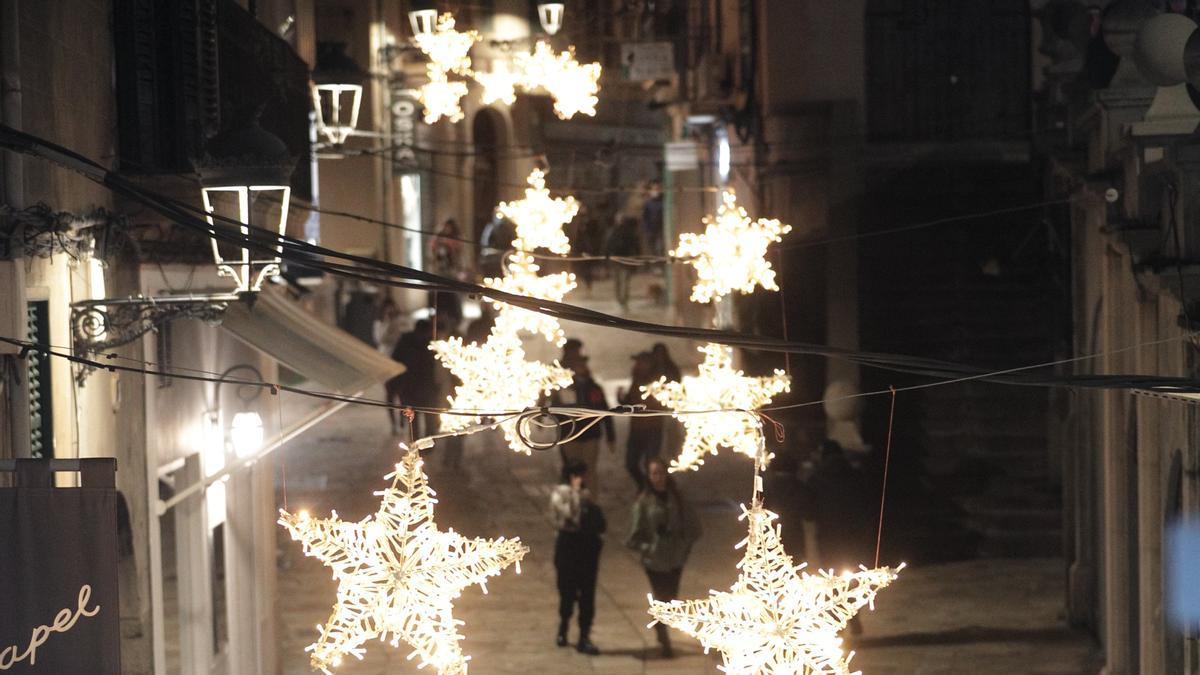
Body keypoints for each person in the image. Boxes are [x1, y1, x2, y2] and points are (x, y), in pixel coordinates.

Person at [626, 457, 702, 658]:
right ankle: (663, 636)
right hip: (654, 559)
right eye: (654, 473)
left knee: (671, 598)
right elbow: (633, 537)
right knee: (661, 596)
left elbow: (693, 527)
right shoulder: (643, 502)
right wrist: (649, 546)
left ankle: (662, 629)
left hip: (675, 557)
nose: (658, 477)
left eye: (660, 472)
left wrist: (683, 543)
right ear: (649, 477)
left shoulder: (678, 498)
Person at [804, 439, 872, 634]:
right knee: (851, 576)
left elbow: (810, 510)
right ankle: (854, 616)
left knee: (832, 579)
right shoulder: (856, 475)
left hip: (829, 536)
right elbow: (867, 504)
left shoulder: (816, 478)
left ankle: (837, 620)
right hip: (854, 535)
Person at [549, 462, 606, 655]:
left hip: (587, 548)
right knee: (567, 591)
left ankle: (584, 635)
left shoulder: (587, 494)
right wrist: (576, 495)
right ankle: (564, 626)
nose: (582, 479)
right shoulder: (561, 494)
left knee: (587, 594)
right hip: (568, 546)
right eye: (579, 475)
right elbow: (569, 516)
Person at [553, 358, 615, 492]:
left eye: (583, 365)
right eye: (577, 365)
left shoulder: (594, 388)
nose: (581, 368)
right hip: (570, 435)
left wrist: (611, 436)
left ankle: (591, 503)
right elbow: (555, 410)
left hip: (590, 435)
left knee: (589, 469)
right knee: (573, 469)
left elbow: (604, 411)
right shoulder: (565, 388)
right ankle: (574, 500)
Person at [619, 351, 664, 490]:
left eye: (640, 362)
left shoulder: (656, 382)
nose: (637, 365)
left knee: (650, 463)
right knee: (631, 463)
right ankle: (644, 486)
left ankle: (653, 490)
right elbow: (630, 402)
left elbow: (659, 404)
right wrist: (621, 398)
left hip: (652, 429)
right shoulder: (636, 379)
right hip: (636, 429)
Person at [386, 319, 437, 436]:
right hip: (413, 387)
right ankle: (420, 445)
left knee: (423, 420)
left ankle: (423, 445)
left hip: (420, 387)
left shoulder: (423, 342)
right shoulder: (411, 342)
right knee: (416, 420)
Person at [605, 216, 641, 310]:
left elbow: (608, 246)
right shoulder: (630, 232)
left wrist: (607, 258)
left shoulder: (613, 232)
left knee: (617, 282)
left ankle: (620, 300)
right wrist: (637, 258)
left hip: (616, 260)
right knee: (625, 282)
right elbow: (636, 246)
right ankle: (624, 300)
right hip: (626, 260)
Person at [641, 180, 664, 256]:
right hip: (651, 230)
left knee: (660, 248)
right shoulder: (648, 203)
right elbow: (645, 217)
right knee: (652, 249)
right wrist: (647, 229)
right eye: (653, 189)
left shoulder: (664, 202)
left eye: (657, 189)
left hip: (661, 230)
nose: (655, 191)